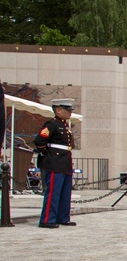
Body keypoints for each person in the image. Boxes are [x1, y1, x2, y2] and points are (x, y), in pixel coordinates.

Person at [33, 98, 76, 228]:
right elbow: (39, 141)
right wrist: (49, 154)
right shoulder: (51, 125)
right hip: (54, 162)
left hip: (65, 162)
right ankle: (47, 219)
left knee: (65, 192)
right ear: (58, 110)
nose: (70, 113)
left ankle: (63, 217)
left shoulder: (65, 126)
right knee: (53, 192)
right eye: (67, 110)